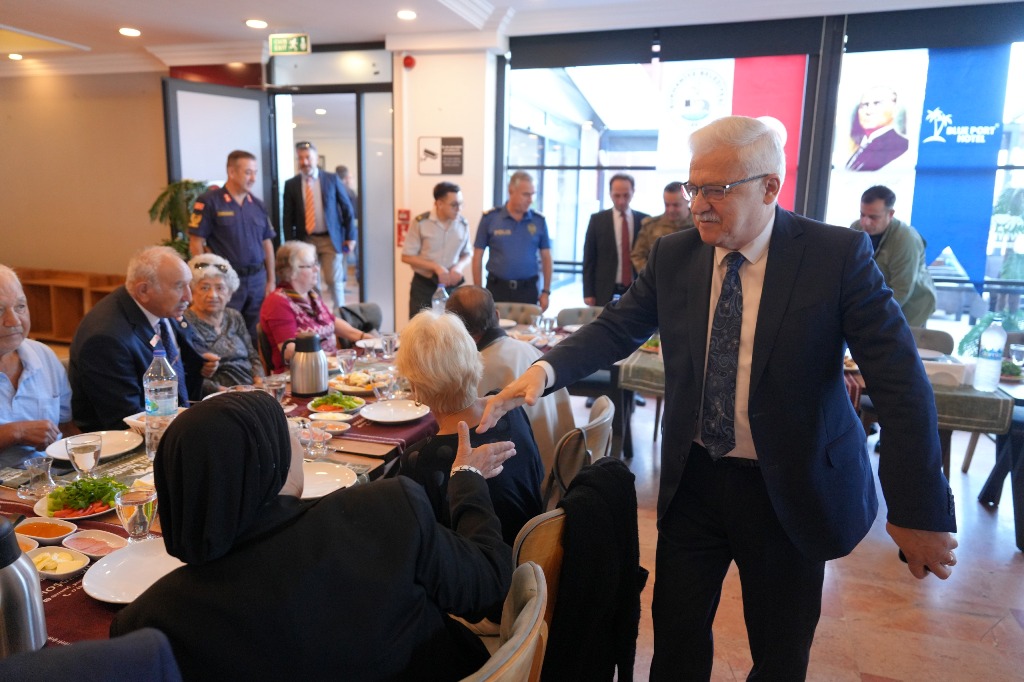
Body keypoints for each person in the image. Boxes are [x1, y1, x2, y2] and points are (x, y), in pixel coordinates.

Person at [478, 116, 958, 680]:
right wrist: (542, 372)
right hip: (696, 481)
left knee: (779, 654)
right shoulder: (675, 255)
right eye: (694, 187)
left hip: (789, 488)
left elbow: (900, 382)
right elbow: (617, 327)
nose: (699, 205)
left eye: (717, 190)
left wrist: (918, 508)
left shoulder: (836, 256)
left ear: (770, 187)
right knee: (676, 643)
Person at [110, 390, 516, 681]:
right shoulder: (382, 511)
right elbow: (489, 585)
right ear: (273, 460)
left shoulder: (146, 625)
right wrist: (467, 480)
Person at [396, 310, 544, 547]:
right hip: (536, 546)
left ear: (415, 388)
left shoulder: (420, 459)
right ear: (474, 359)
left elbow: (417, 544)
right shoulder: (508, 408)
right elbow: (538, 474)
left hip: (487, 565)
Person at [69, 247, 215, 432]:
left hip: (174, 420)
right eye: (179, 286)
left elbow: (186, 352)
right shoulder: (106, 339)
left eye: (188, 285)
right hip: (130, 439)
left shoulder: (161, 309)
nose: (189, 297)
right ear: (144, 290)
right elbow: (126, 420)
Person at [445, 285, 574, 476]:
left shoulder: (475, 371)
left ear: (454, 330)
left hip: (531, 479)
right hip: (564, 465)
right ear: (497, 316)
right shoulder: (534, 351)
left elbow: (460, 438)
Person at [188, 150, 276, 341]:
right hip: (225, 279)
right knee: (225, 330)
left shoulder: (257, 205)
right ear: (232, 172)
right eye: (248, 172)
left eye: (255, 172)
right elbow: (196, 241)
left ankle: (253, 361)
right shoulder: (210, 201)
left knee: (255, 331)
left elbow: (267, 242)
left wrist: (271, 280)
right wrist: (204, 276)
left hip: (257, 279)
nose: (253, 178)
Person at [0, 265, 77, 468]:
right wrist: (15, 432)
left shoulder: (42, 355)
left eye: (20, 306)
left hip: (51, 476)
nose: (14, 321)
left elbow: (66, 428)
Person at [259, 241, 370, 374]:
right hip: (301, 375)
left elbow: (332, 322)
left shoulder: (311, 295)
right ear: (291, 271)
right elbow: (289, 351)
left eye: (315, 264)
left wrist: (363, 337)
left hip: (330, 369)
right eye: (310, 266)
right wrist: (329, 358)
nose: (316, 269)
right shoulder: (277, 302)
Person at [282, 142, 357, 314]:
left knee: (333, 280)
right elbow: (287, 217)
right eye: (301, 158)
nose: (305, 162)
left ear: (316, 159)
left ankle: (341, 316)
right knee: (311, 282)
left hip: (330, 239)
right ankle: (318, 316)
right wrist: (290, 244)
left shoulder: (331, 179)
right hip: (306, 241)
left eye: (308, 157)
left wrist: (350, 237)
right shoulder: (291, 184)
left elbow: (347, 208)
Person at [851, 185, 937, 327]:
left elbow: (902, 289)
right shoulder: (856, 229)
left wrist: (872, 317)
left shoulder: (906, 239)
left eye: (873, 217)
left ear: (890, 214)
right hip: (877, 300)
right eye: (862, 215)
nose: (865, 222)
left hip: (912, 305)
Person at [183, 254, 265, 396]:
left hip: (250, 391)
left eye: (220, 288)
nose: (213, 295)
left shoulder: (234, 316)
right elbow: (188, 374)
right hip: (215, 397)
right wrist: (227, 392)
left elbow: (252, 356)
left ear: (230, 293)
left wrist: (258, 382)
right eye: (204, 288)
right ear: (192, 292)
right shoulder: (185, 322)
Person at [472, 171, 553, 311]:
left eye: (532, 194)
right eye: (526, 194)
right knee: (494, 324)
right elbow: (477, 256)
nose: (530, 199)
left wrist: (546, 292)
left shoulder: (538, 221)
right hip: (497, 288)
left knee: (528, 326)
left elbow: (546, 257)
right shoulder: (490, 218)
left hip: (527, 290)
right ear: (511, 191)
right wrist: (478, 292)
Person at [401, 182, 472, 318]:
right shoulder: (421, 223)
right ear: (439, 204)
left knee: (451, 327)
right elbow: (406, 256)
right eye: (454, 205)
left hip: (451, 285)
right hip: (424, 285)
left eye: (461, 204)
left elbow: (467, 254)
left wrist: (458, 267)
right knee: (420, 327)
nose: (459, 209)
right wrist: (436, 267)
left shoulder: (463, 224)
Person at [583, 173, 650, 306]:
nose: (621, 201)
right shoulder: (597, 220)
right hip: (604, 288)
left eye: (626, 195)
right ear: (610, 194)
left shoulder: (644, 220)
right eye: (617, 196)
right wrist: (588, 292)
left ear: (633, 192)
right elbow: (589, 257)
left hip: (636, 287)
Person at [631, 181, 695, 272]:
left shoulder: (700, 225)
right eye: (667, 205)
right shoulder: (651, 226)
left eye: (676, 205)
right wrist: (651, 275)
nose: (671, 210)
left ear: (688, 200)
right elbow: (637, 255)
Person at [846, 86, 909, 171]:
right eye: (864, 105)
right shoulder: (861, 145)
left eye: (877, 104)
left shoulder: (900, 145)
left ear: (894, 110)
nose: (868, 111)